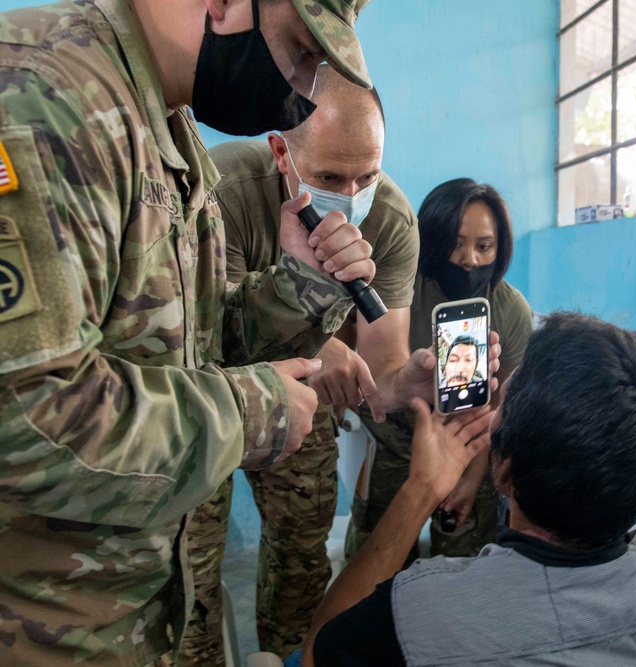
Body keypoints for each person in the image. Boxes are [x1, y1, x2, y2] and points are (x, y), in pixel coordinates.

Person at [0, 0, 377, 664]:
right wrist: (249, 411)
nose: (301, 90)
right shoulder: (42, 99)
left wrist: (298, 284)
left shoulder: (160, 118)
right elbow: (27, 414)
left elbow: (186, 345)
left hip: (128, 614)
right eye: (300, 51)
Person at [298, 312, 636, 666]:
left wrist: (421, 491)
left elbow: (321, 651)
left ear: (503, 472)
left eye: (504, 401)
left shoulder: (420, 611)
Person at [188, 63, 431, 661]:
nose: (350, 197)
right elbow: (204, 331)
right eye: (328, 176)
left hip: (301, 401)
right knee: (190, 556)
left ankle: (289, 654)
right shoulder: (222, 189)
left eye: (366, 176)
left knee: (303, 543)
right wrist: (321, 344)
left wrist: (410, 382)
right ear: (280, 151)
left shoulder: (392, 221)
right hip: (208, 394)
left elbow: (382, 361)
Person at [348, 178, 533, 564]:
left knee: (462, 564)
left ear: (500, 249)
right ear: (433, 239)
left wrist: (469, 478)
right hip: (393, 446)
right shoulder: (399, 291)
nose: (469, 259)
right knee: (378, 560)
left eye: (484, 246)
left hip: (470, 447)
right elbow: (371, 377)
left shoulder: (511, 310)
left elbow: (498, 411)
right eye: (456, 243)